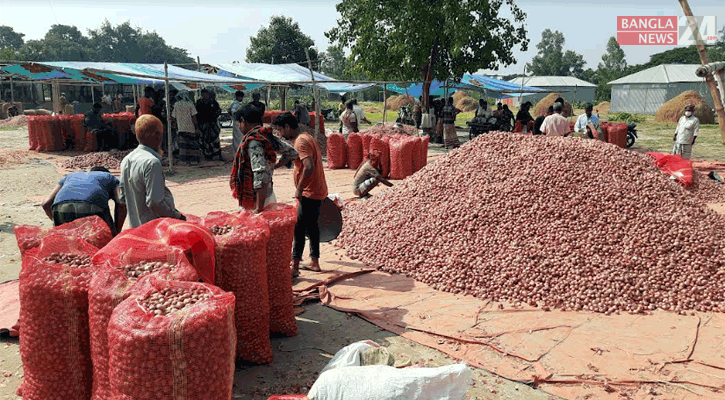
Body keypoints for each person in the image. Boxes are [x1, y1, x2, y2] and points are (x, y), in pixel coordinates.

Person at [278, 109, 328, 277]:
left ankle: (295, 266)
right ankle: (314, 261)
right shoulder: (306, 137)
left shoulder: (300, 142)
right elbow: (294, 160)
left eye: (280, 130)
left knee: (298, 228)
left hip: (309, 192)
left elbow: (309, 167)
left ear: (287, 127)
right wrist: (275, 166)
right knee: (312, 226)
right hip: (318, 189)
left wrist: (299, 188)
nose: (279, 133)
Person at [120, 115, 186, 228]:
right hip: (153, 230)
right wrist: (176, 216)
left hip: (136, 228)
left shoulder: (127, 160)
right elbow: (155, 202)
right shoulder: (152, 162)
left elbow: (123, 198)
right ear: (157, 136)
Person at [42, 166, 126, 236]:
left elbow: (46, 203)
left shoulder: (69, 176)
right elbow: (121, 203)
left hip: (60, 207)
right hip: (91, 206)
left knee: (68, 242)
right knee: (103, 239)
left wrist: (57, 220)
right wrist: (116, 231)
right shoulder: (109, 177)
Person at [171, 91, 202, 165]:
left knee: (183, 145)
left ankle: (185, 161)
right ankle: (193, 160)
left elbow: (173, 117)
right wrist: (196, 127)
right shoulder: (190, 104)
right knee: (192, 145)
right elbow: (194, 116)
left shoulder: (176, 104)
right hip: (190, 127)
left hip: (181, 128)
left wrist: (175, 124)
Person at [196, 89, 223, 161]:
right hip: (204, 124)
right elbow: (197, 113)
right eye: (203, 94)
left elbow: (218, 111)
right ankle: (207, 155)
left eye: (206, 94)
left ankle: (217, 155)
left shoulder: (213, 102)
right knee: (205, 140)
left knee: (215, 140)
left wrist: (215, 116)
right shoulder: (199, 102)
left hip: (212, 124)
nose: (205, 96)